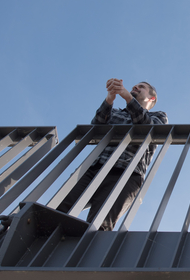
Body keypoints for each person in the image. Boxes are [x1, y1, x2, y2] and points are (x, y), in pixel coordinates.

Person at [57, 78, 168, 230]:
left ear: (151, 98)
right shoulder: (114, 113)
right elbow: (95, 126)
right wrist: (110, 99)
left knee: (99, 225)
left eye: (141, 87)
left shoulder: (159, 116)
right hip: (95, 168)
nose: (135, 86)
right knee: (60, 209)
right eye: (135, 86)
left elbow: (148, 127)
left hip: (127, 174)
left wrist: (127, 97)